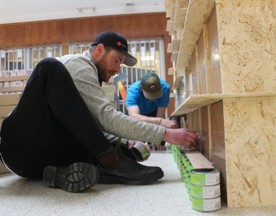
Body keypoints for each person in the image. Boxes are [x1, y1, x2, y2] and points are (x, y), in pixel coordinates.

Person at [0, 31, 198, 193]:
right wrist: (165, 134)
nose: (117, 69)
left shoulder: (92, 77)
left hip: (38, 163)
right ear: (100, 50)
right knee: (48, 67)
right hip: (17, 147)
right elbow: (106, 117)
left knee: (120, 147)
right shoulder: (78, 65)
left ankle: (58, 174)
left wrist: (124, 142)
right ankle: (111, 164)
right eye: (116, 60)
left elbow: (86, 122)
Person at [126, 72, 178, 149]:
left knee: (159, 140)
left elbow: (160, 115)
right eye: (149, 95)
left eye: (155, 95)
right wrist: (159, 121)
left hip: (155, 113)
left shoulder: (165, 88)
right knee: (137, 144)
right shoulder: (133, 91)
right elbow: (134, 116)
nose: (152, 99)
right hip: (138, 115)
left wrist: (158, 138)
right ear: (141, 88)